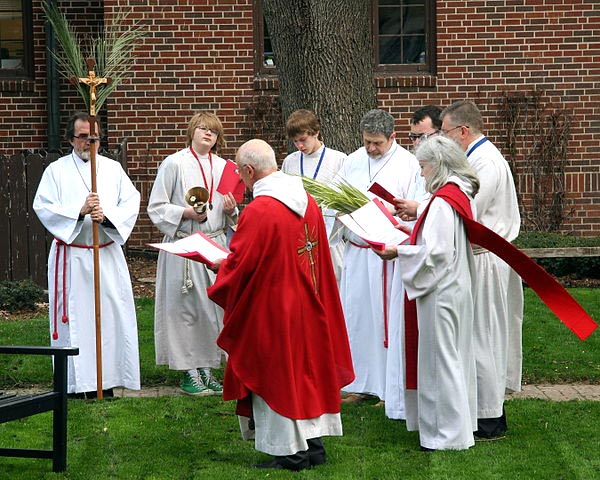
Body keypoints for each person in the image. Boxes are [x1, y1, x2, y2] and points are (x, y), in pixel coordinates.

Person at [206, 139, 354, 471]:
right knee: (306, 375)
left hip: (273, 310)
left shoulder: (261, 210)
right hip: (308, 303)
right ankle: (313, 445)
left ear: (248, 170)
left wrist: (219, 267)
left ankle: (291, 452)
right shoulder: (308, 201)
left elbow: (242, 265)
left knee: (278, 377)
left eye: (242, 176)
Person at [374, 135, 479, 450]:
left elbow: (435, 254)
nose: (421, 174)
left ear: (438, 165)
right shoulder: (455, 195)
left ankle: (445, 436)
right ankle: (453, 428)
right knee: (451, 359)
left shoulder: (444, 202)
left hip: (441, 292)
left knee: (439, 361)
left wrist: (398, 252)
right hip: (454, 287)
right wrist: (411, 233)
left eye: (423, 166)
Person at [33, 111, 141, 397]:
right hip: (73, 256)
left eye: (95, 138)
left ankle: (108, 380)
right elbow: (43, 206)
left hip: (105, 255)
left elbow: (131, 202)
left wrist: (106, 217)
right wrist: (78, 213)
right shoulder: (56, 171)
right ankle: (76, 385)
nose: (89, 143)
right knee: (77, 320)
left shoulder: (112, 169)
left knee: (110, 317)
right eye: (83, 137)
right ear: (71, 139)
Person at [440, 100, 523, 439]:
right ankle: (480, 408)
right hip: (479, 256)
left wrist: (428, 209)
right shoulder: (474, 157)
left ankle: (490, 416)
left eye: (445, 134)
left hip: (487, 257)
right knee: (475, 333)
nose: (443, 141)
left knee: (484, 334)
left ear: (463, 130)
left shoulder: (485, 160)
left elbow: (470, 209)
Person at [332, 109, 426, 405]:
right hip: (358, 252)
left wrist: (392, 215)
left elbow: (415, 207)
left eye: (377, 143)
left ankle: (389, 387)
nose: (371, 149)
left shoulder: (409, 164)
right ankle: (361, 384)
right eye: (367, 142)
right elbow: (336, 196)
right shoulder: (353, 160)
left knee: (387, 321)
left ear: (393, 137)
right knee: (358, 317)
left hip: (388, 255)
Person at [147, 112, 238, 396]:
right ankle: (189, 372)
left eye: (212, 131)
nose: (207, 134)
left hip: (214, 244)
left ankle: (207, 369)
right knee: (185, 309)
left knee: (211, 310)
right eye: (202, 129)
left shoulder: (225, 167)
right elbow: (157, 206)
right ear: (191, 132)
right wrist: (186, 213)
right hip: (185, 245)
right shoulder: (174, 163)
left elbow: (232, 213)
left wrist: (231, 209)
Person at [281, 109, 347, 283]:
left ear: (316, 132)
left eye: (303, 140)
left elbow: (344, 202)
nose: (300, 146)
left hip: (329, 239)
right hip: (299, 239)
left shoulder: (338, 160)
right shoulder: (290, 161)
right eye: (295, 142)